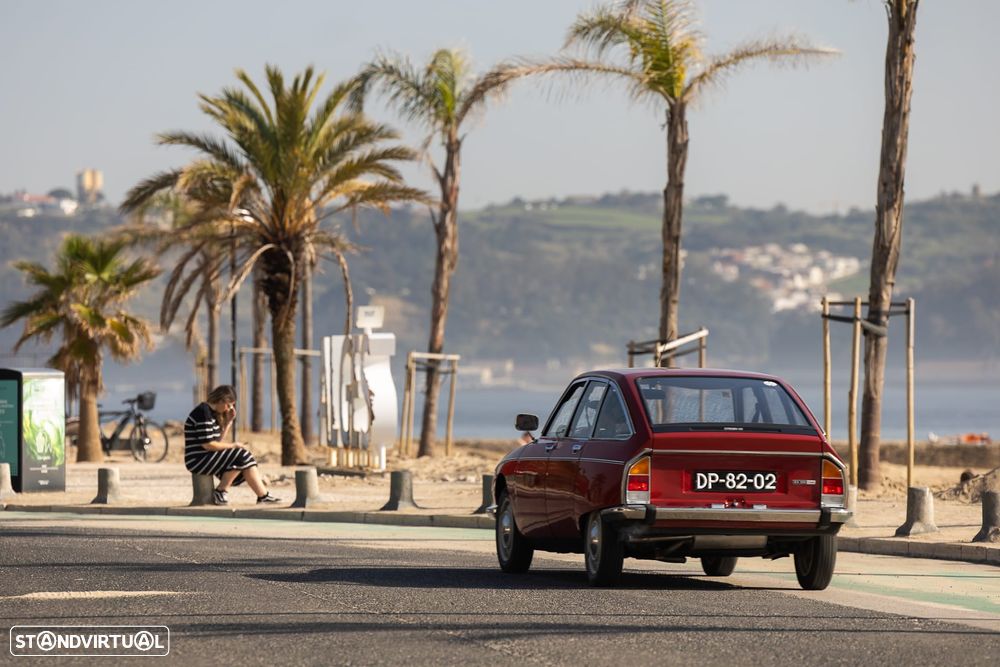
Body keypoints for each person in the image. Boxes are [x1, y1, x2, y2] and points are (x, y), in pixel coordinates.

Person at [184, 385, 280, 505]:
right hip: (197, 460)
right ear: (220, 400)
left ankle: (263, 496)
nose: (229, 409)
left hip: (208, 457)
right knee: (241, 454)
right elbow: (208, 445)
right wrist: (233, 445)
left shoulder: (212, 413)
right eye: (228, 405)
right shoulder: (203, 413)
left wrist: (228, 422)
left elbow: (217, 442)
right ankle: (221, 491)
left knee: (244, 457)